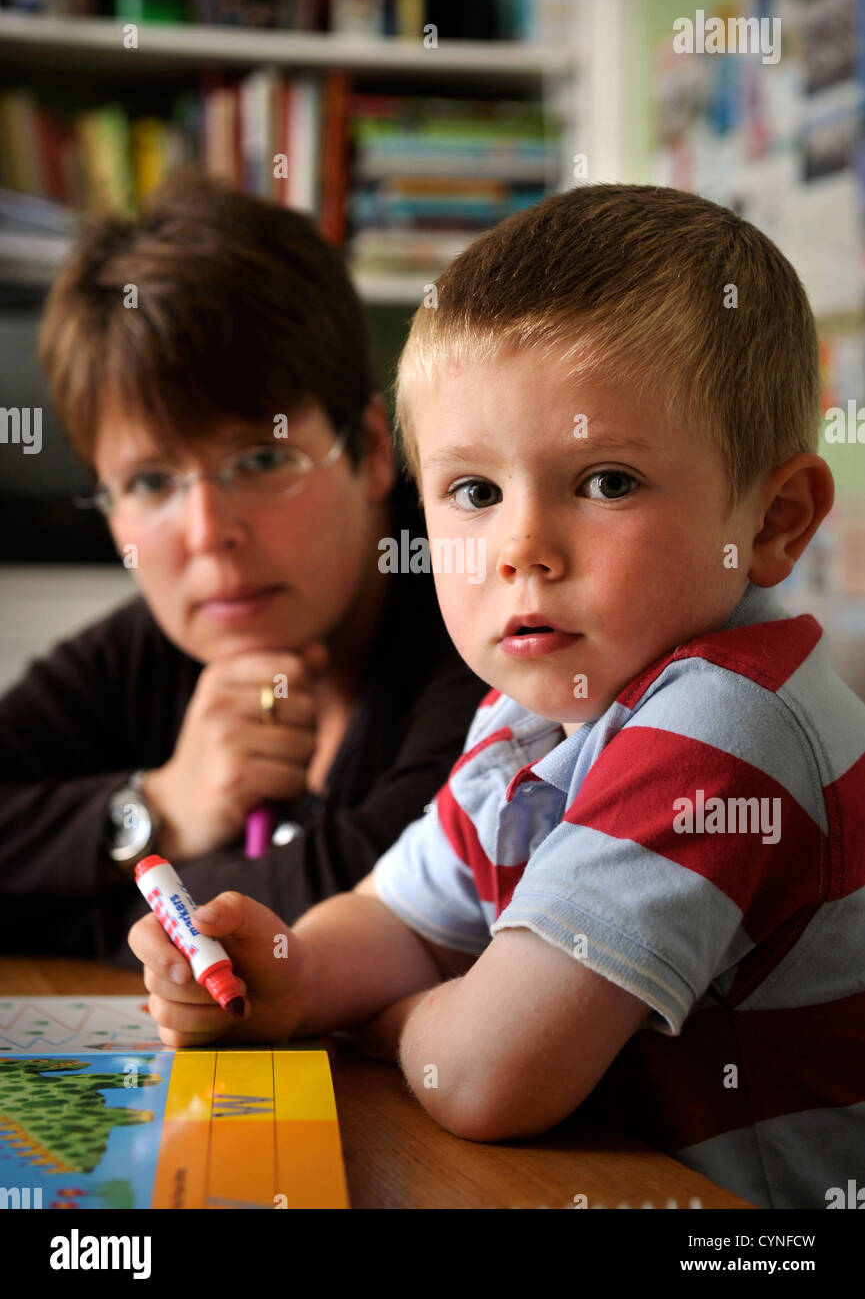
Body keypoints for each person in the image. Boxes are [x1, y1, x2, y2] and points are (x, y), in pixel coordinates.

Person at [129, 183, 865, 1210]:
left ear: (776, 519)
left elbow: (483, 1076)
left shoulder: (726, 723)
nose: (520, 549)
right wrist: (284, 972)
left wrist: (381, 1018)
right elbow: (402, 920)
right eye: (473, 492)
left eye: (605, 481)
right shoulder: (529, 717)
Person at [0, 175, 489, 966]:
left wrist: (75, 913)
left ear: (368, 449)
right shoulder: (162, 641)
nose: (207, 536)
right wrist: (157, 805)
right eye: (151, 482)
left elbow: (354, 906)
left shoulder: (476, 616)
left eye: (261, 459)